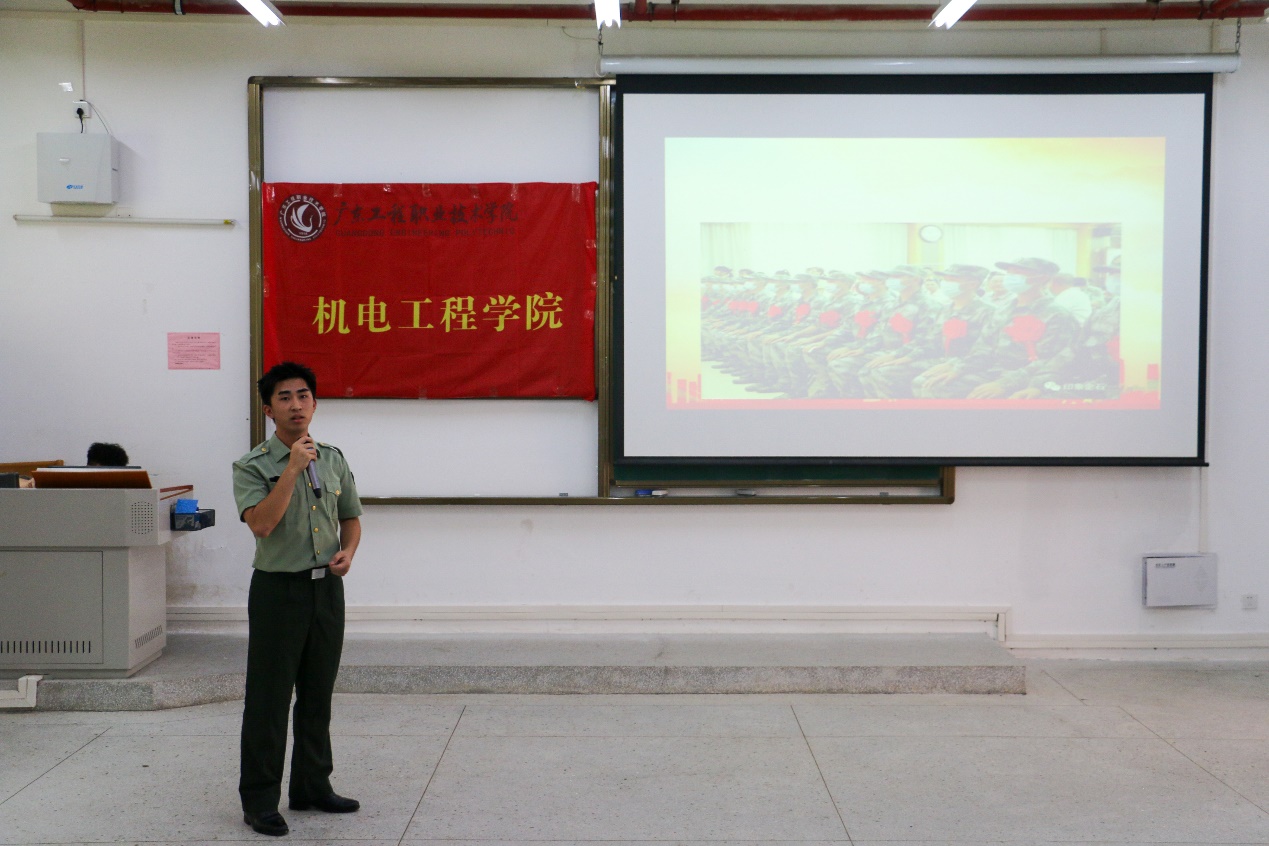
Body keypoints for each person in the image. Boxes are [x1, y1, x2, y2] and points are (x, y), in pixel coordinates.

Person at [232, 361, 363, 837]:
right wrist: (291, 469)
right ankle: (259, 801)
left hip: (326, 590)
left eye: (303, 395)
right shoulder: (251, 466)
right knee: (268, 699)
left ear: (315, 403)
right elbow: (262, 525)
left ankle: (311, 785)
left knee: (317, 693)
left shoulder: (333, 458)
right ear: (269, 410)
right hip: (278, 592)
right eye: (284, 397)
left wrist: (348, 552)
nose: (296, 405)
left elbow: (350, 517)